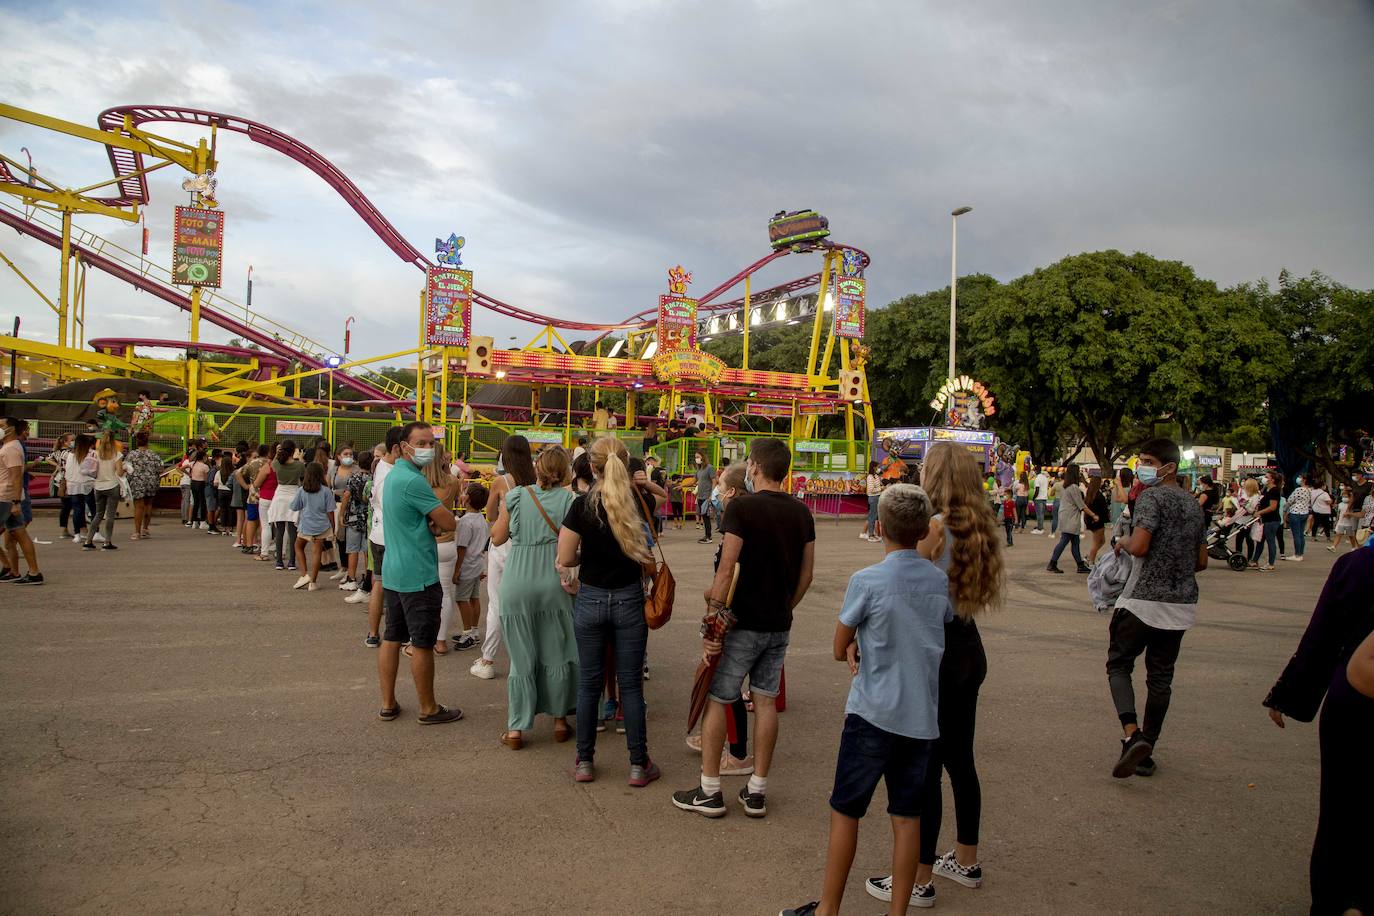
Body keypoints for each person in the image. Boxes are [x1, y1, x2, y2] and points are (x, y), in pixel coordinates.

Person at [783, 484, 947, 916]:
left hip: (872, 711)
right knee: (907, 816)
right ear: (925, 529)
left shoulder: (867, 581)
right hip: (920, 716)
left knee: (846, 809)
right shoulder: (937, 580)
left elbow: (840, 646)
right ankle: (898, 913)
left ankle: (828, 909)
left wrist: (856, 643)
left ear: (880, 527)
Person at [865, 443, 1005, 908]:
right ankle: (966, 860)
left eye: (925, 466)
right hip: (969, 648)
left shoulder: (934, 528)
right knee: (960, 760)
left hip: (936, 653)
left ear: (938, 476)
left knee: (923, 766)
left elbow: (907, 586)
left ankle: (919, 878)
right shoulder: (980, 525)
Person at [673, 437, 815, 819]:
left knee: (719, 698)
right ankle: (756, 791)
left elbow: (726, 567)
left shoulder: (742, 509)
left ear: (753, 466)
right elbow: (807, 574)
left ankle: (710, 790)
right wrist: (785, 605)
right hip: (778, 623)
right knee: (765, 700)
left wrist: (713, 621)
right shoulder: (802, 513)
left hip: (740, 622)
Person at [1263, 544, 1374, 916]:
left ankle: (1333, 902)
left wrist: (1286, 693)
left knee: (1340, 809)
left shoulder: (1356, 565)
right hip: (1355, 693)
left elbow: (1322, 636)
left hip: (1351, 703)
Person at [558, 437, 660, 785]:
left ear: (592, 466)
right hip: (630, 599)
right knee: (630, 685)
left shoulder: (581, 506)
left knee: (589, 685)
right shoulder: (641, 500)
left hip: (591, 598)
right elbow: (647, 552)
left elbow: (566, 557)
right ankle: (638, 763)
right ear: (627, 463)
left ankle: (584, 761)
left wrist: (591, 557)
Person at [1106, 438, 1207, 779]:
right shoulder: (1194, 505)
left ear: (1169, 467)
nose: (1142, 467)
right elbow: (1202, 560)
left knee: (1119, 665)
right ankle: (1147, 747)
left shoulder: (1151, 497)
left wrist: (1120, 541)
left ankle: (1133, 734)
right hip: (1179, 606)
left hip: (1141, 601)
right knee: (1160, 678)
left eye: (1148, 460)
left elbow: (1140, 545)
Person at [374, 422, 462, 724]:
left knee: (392, 637)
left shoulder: (393, 477)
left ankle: (388, 703)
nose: (428, 448)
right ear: (402, 446)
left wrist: (429, 521)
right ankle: (428, 707)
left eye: (431, 442)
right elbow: (448, 522)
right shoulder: (413, 482)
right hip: (418, 574)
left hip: (395, 570)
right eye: (421, 443)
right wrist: (436, 521)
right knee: (422, 642)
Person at [492, 446, 577, 748]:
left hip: (517, 581)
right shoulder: (570, 500)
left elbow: (498, 537)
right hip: (554, 580)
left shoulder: (516, 496)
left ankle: (516, 729)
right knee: (557, 652)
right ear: (565, 471)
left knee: (521, 656)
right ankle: (559, 721)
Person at [470, 435, 537, 679]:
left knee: (498, 603)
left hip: (502, 546)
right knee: (527, 603)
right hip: (528, 546)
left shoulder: (501, 482)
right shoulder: (536, 480)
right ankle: (529, 657)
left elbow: (489, 514)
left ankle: (487, 659)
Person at [418, 442, 462, 656]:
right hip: (447, 543)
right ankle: (441, 640)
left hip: (423, 544)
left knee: (419, 592)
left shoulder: (418, 483)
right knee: (445, 593)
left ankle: (418, 637)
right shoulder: (452, 482)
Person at [365, 428, 404, 647]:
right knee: (395, 587)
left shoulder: (381, 466)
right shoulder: (393, 473)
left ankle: (373, 633)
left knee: (379, 584)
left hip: (378, 534)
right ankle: (393, 635)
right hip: (392, 537)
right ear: (398, 448)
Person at [0, 418, 43, 584]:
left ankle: (10, 567)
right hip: (9, 497)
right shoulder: (9, 447)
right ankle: (31, 572)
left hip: (6, 498)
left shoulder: (10, 449)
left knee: (19, 534)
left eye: (2, 426)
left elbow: (16, 476)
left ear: (11, 429)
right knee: (19, 533)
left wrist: (16, 502)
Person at [450, 481, 489, 651]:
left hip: (466, 566)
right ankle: (474, 631)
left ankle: (467, 634)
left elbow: (461, 548)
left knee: (461, 599)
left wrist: (456, 570)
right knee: (474, 598)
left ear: (467, 499)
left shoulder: (465, 522)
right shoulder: (481, 519)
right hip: (477, 564)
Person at [288, 461, 336, 591]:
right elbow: (330, 511)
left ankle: (304, 575)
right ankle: (313, 582)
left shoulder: (302, 490)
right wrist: (333, 527)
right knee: (317, 552)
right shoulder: (326, 491)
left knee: (298, 546)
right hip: (322, 526)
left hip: (306, 525)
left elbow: (294, 506)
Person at [82, 431, 125, 551]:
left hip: (98, 487)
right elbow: (120, 472)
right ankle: (107, 541)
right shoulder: (117, 454)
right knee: (110, 515)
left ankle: (88, 540)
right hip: (112, 485)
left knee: (98, 514)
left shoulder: (96, 454)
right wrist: (125, 469)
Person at [337, 451, 373, 592]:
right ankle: (367, 577)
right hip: (368, 518)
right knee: (366, 550)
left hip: (353, 517)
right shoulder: (373, 478)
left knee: (352, 549)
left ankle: (351, 578)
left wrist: (342, 514)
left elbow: (346, 495)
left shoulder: (354, 478)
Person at [1046, 464, 1091, 574]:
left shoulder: (1065, 486)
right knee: (1065, 541)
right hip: (1070, 518)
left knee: (1075, 542)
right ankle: (1052, 563)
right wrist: (1093, 515)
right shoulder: (1074, 488)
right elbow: (1081, 505)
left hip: (1065, 516)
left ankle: (1079, 565)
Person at [266, 441, 304, 571]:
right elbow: (303, 479)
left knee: (279, 531)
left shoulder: (276, 464)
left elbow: (273, 462)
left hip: (280, 496)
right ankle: (292, 562)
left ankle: (279, 562)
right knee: (293, 532)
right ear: (294, 450)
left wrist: (278, 452)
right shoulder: (299, 465)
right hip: (293, 495)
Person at [126, 432, 163, 539]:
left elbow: (127, 468)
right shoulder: (153, 454)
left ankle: (137, 532)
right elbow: (160, 468)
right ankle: (145, 529)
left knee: (138, 506)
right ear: (148, 442)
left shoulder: (132, 454)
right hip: (151, 482)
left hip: (137, 482)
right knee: (148, 505)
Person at [63, 434, 94, 545]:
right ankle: (95, 533)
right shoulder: (90, 454)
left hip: (73, 485)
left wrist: (68, 483)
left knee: (77, 510)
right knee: (93, 509)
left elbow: (68, 471)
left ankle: (77, 534)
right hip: (87, 484)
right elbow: (91, 470)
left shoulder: (70, 455)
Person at [1255, 469, 1284, 570]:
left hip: (1272, 520)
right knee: (1260, 540)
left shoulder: (1274, 490)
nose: (1264, 479)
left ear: (1272, 480)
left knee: (1270, 541)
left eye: (1267, 477)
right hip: (1265, 520)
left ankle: (1271, 564)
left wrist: (1259, 512)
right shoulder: (1267, 490)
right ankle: (1255, 561)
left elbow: (1273, 507)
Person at [1282, 475, 1312, 563]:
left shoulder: (1299, 490)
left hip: (1295, 512)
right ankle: (1300, 553)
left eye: (1301, 477)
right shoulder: (1310, 490)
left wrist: (1284, 510)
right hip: (1304, 512)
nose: (1299, 479)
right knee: (1301, 534)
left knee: (1296, 535)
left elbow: (1290, 500)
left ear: (1304, 480)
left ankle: (1297, 554)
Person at [1084, 474, 1110, 564]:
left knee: (1102, 541)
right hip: (1098, 520)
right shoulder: (1098, 496)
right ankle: (1091, 560)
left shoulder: (1090, 494)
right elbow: (1103, 509)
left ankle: (1090, 556)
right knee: (1097, 542)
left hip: (1092, 520)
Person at [693, 449, 715, 543]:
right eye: (695, 457)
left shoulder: (709, 468)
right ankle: (707, 535)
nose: (696, 459)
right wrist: (681, 486)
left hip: (706, 496)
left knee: (705, 517)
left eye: (698, 457)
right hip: (700, 496)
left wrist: (711, 494)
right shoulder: (699, 469)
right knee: (703, 515)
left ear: (703, 457)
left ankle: (708, 537)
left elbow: (714, 481)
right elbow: (694, 480)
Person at [862, 461, 882, 542]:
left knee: (874, 517)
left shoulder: (876, 476)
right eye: (877, 467)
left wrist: (882, 487)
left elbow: (877, 486)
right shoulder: (870, 477)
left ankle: (873, 534)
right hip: (873, 498)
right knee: (872, 517)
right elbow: (870, 490)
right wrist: (881, 489)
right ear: (874, 467)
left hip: (877, 497)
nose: (878, 468)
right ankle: (870, 535)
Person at [1031, 466, 1050, 532]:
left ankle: (1040, 528)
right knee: (1042, 514)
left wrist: (1034, 497)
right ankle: (1040, 526)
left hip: (1038, 498)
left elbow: (1037, 489)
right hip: (1044, 497)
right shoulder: (1045, 478)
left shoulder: (1037, 479)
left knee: (1038, 514)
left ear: (1036, 471)